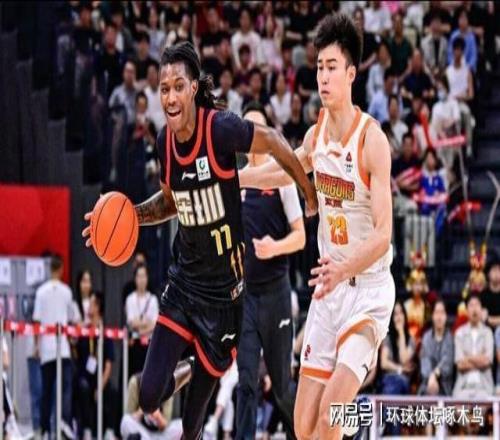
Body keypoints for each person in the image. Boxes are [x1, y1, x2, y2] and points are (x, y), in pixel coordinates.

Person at [82, 41, 316, 440]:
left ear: (193, 89)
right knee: (148, 397)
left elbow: (274, 140)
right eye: (164, 88)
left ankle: (195, 365)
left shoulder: (219, 129)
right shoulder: (164, 143)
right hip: (184, 284)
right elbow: (171, 202)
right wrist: (129, 216)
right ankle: (189, 365)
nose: (170, 97)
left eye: (178, 86)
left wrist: (307, 192)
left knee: (191, 428)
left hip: (225, 297)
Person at [239, 13, 395, 439]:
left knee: (330, 417)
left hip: (367, 293)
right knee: (304, 425)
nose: (323, 77)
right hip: (330, 293)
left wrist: (344, 268)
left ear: (351, 73)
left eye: (332, 67)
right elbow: (283, 170)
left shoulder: (372, 141)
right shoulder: (316, 135)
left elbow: (384, 234)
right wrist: (234, 177)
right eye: (319, 67)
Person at [236, 104, 305, 440]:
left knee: (281, 387)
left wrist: (274, 247)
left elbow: (300, 237)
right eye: (246, 128)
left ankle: (310, 433)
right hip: (246, 295)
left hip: (276, 293)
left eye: (257, 128)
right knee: (246, 381)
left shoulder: (281, 178)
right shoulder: (235, 181)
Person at [33, 255, 75, 439]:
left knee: (47, 390)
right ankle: (63, 423)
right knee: (65, 390)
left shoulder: (40, 292)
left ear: (49, 268)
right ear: (61, 269)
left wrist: (36, 346)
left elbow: (36, 321)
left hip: (46, 349)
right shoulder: (67, 292)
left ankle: (44, 430)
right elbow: (71, 318)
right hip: (63, 348)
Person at [76, 292, 117, 440]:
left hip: (100, 378)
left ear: (98, 307)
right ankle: (87, 430)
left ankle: (110, 431)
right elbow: (76, 352)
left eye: (92, 304)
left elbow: (108, 365)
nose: (89, 306)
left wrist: (100, 387)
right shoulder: (84, 330)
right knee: (83, 387)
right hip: (85, 377)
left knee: (111, 391)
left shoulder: (106, 332)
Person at [453, 294, 494, 398]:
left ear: (481, 309)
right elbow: (460, 365)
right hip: (463, 387)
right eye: (471, 305)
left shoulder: (488, 332)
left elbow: (487, 361)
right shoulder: (459, 333)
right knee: (458, 405)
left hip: (484, 388)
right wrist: (480, 358)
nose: (474, 309)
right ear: (467, 310)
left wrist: (467, 357)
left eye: (477, 305)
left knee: (484, 405)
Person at [125, 264, 159, 377]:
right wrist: (146, 322)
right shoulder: (130, 299)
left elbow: (155, 324)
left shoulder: (153, 299)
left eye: (144, 276)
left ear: (147, 278)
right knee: (133, 378)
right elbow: (131, 322)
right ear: (135, 278)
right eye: (139, 276)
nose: (141, 279)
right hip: (134, 346)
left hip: (149, 346)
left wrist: (140, 330)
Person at [419, 299, 454, 396]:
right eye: (436, 312)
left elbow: (447, 363)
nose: (439, 317)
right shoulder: (426, 337)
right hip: (427, 384)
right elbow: (425, 362)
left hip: (445, 386)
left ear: (446, 316)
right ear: (432, 316)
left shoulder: (450, 337)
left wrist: (435, 374)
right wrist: (431, 377)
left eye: (442, 313)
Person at [482, 262, 500, 328]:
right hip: (486, 330)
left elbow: (487, 319)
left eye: (499, 270)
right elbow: (482, 318)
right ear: (488, 274)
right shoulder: (482, 295)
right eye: (494, 270)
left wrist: (489, 319)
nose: (497, 273)